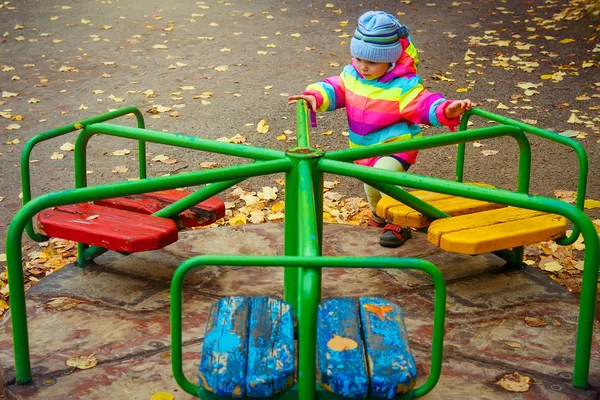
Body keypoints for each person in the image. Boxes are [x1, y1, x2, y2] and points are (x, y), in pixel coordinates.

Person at [288, 10, 472, 248]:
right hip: (364, 147)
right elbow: (334, 89)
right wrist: (315, 96)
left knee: (385, 178)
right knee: (371, 186)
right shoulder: (351, 75)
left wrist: (446, 110)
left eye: (372, 62)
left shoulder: (403, 85)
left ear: (391, 59)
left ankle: (398, 222)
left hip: (396, 144)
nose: (363, 67)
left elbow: (422, 103)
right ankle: (379, 215)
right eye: (359, 59)